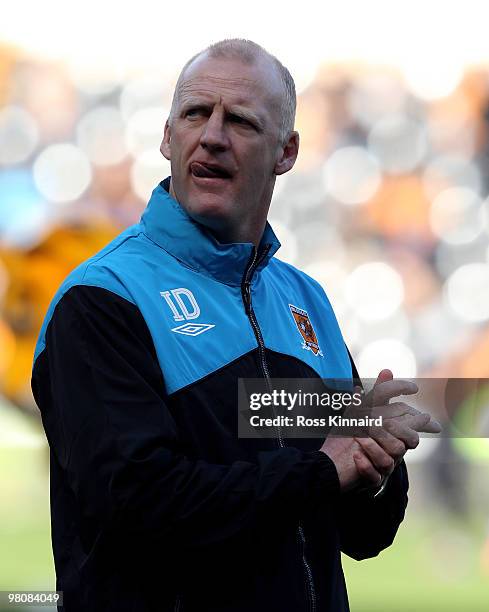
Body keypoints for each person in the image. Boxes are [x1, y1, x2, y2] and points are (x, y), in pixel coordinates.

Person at [32, 39, 440, 612]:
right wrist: (323, 470)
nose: (214, 136)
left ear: (287, 150)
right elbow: (137, 503)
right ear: (167, 135)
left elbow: (361, 534)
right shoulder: (103, 298)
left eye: (242, 121)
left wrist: (376, 464)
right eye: (196, 114)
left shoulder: (306, 300)